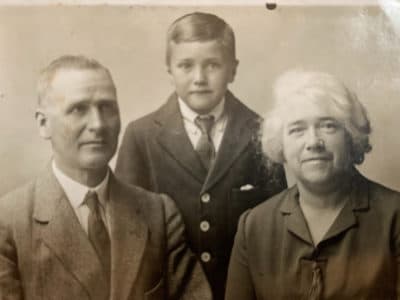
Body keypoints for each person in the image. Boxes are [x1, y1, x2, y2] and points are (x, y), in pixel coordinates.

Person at [0, 55, 211, 300]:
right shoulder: (9, 222)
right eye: (78, 109)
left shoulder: (159, 214)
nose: (98, 124)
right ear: (43, 123)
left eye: (107, 107)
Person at [115, 12, 287, 299]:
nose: (199, 78)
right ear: (169, 71)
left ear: (233, 69)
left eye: (212, 65)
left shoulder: (262, 132)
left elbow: (276, 224)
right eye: (185, 65)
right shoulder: (141, 136)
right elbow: (127, 231)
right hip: (167, 290)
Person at [225, 69, 400, 300]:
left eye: (328, 126)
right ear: (281, 145)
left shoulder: (395, 217)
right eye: (297, 129)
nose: (313, 143)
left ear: (351, 137)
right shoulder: (254, 226)